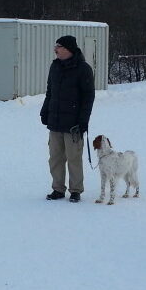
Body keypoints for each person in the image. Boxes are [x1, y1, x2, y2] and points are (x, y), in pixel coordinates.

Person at [40, 35, 95, 203]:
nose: (55, 49)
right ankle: (57, 189)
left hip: (74, 125)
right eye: (55, 46)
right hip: (55, 121)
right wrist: (45, 110)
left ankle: (76, 190)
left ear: (68, 49)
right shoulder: (54, 67)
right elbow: (50, 91)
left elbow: (88, 97)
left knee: (74, 159)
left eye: (58, 46)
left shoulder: (83, 69)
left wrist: (83, 121)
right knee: (55, 158)